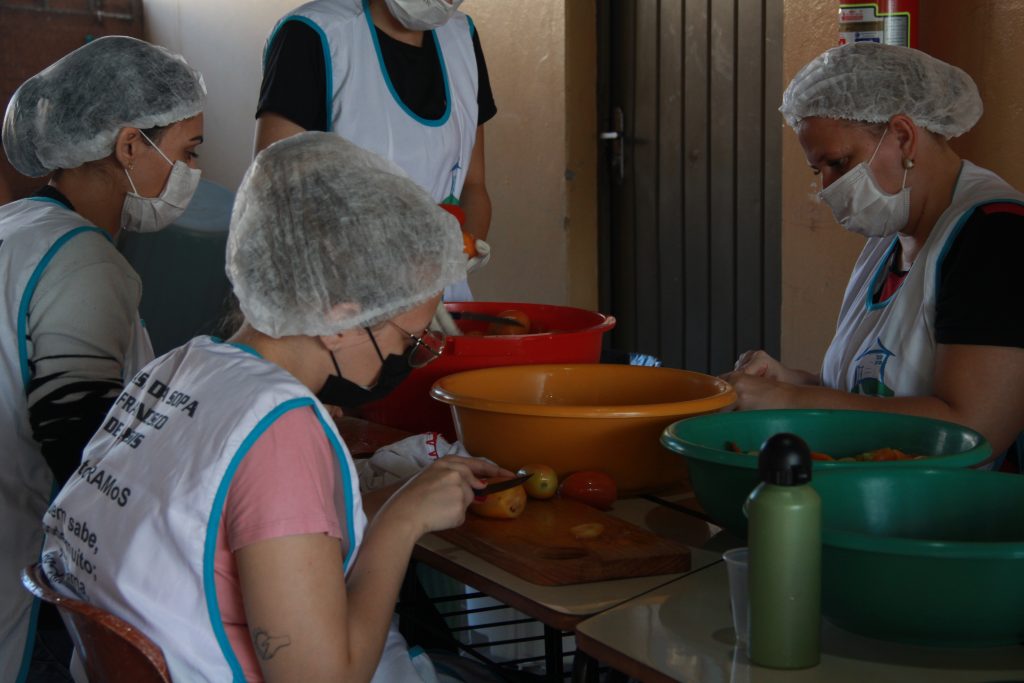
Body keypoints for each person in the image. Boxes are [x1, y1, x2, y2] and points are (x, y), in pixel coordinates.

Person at [39, 132, 512, 682]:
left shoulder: (180, 366)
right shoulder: (279, 428)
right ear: (340, 320)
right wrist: (402, 523)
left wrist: (399, 499)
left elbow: (245, 525)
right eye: (411, 338)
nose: (413, 353)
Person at [0, 36, 205, 681]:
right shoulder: (83, 258)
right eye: (188, 151)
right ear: (129, 147)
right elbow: (79, 442)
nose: (191, 172)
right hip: (29, 572)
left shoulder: (16, 227)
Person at [723, 42, 1024, 462]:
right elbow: (871, 394)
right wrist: (790, 383)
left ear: (903, 137)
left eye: (839, 163)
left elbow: (976, 429)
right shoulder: (887, 238)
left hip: (956, 501)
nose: (827, 188)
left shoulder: (996, 234)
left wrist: (792, 402)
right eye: (818, 170)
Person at [254, 0, 497, 301]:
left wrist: (461, 253)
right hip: (344, 302)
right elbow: (275, 199)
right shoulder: (314, 34)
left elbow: (473, 186)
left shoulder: (461, 37)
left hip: (441, 301)